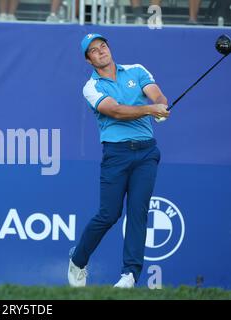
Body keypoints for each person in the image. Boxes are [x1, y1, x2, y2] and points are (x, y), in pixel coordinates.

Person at [67, 33, 170, 288]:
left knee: (138, 212)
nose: (100, 51)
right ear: (88, 60)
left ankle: (130, 275)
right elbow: (115, 111)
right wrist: (149, 110)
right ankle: (78, 260)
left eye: (103, 46)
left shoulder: (136, 70)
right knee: (109, 214)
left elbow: (157, 96)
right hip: (116, 154)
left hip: (146, 152)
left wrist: (160, 106)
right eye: (93, 50)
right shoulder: (91, 88)